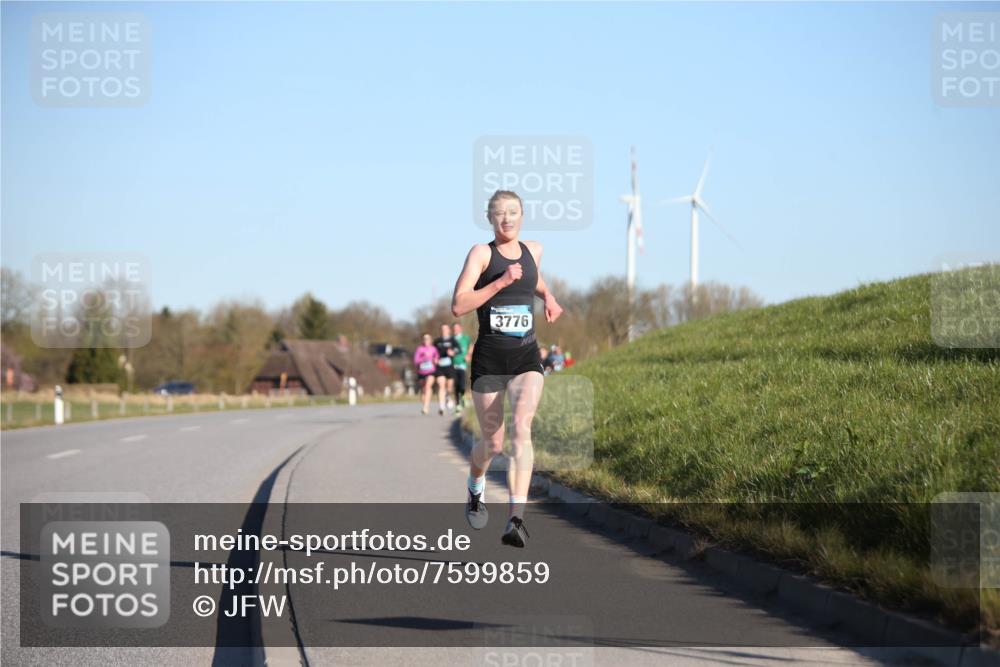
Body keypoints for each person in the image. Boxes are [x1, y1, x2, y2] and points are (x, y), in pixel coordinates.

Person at [451, 189, 563, 547]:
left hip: (526, 356)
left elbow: (534, 278)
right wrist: (500, 282)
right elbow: (458, 304)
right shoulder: (481, 254)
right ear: (490, 219)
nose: (507, 218)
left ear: (522, 215)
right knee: (493, 442)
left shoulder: (534, 250)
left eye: (513, 211)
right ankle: (475, 486)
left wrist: (549, 297)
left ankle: (516, 519)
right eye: (499, 213)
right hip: (490, 359)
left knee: (521, 430)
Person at [432, 323, 458, 415]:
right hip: (440, 366)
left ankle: (448, 396)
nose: (444, 331)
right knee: (441, 385)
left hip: (449, 366)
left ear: (448, 330)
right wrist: (434, 359)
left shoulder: (452, 340)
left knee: (449, 386)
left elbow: (458, 349)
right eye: (442, 329)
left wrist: (453, 352)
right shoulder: (437, 341)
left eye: (445, 329)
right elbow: (432, 352)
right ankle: (441, 407)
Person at [412, 334, 439, 415]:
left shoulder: (433, 349)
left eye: (428, 339)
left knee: (428, 386)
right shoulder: (419, 349)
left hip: (431, 371)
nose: (426, 340)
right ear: (422, 340)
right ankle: (425, 403)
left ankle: (426, 407)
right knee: (424, 389)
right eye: (424, 339)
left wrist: (435, 360)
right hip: (422, 372)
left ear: (430, 340)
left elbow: (437, 357)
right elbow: (416, 361)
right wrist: (424, 358)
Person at [451, 321, 471, 412]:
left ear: (460, 329)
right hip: (453, 364)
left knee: (462, 383)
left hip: (462, 364)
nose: (455, 330)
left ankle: (463, 398)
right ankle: (458, 404)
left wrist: (469, 355)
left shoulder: (466, 338)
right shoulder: (451, 339)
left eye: (457, 328)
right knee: (456, 385)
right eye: (454, 328)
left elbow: (471, 346)